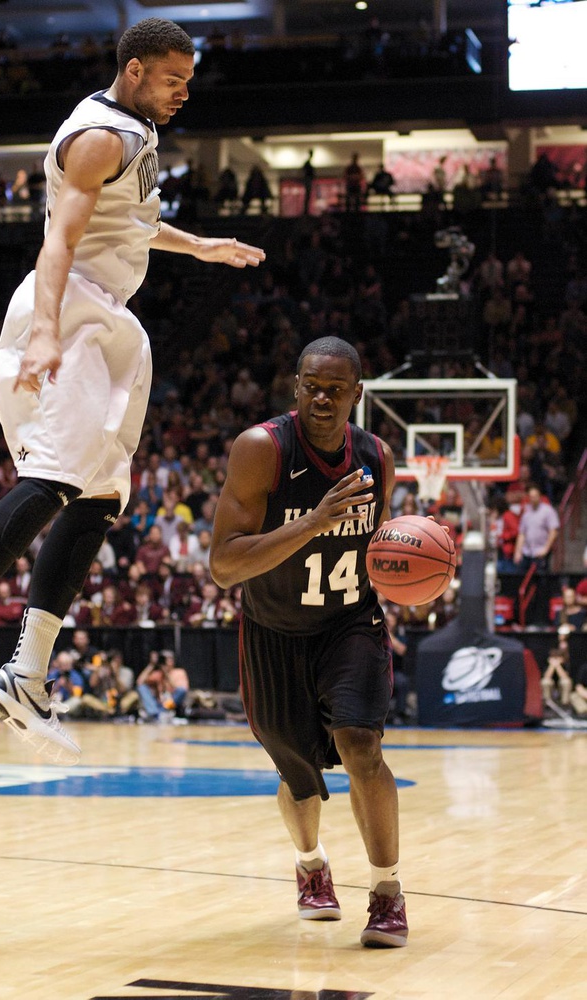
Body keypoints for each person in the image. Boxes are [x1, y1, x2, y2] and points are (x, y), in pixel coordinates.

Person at [0, 17, 265, 766]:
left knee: (103, 497)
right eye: (174, 79)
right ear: (136, 70)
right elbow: (60, 240)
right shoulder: (101, 135)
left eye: (189, 80)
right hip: (68, 308)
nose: (183, 93)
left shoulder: (131, 133)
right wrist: (46, 331)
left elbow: (131, 220)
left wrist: (199, 246)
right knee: (55, 478)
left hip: (110, 317)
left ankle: (27, 675)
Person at [210, 335, 409, 948]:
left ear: (357, 393)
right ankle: (312, 865)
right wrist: (316, 521)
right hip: (273, 630)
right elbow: (223, 564)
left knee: (361, 746)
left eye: (335, 388)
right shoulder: (260, 449)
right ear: (297, 387)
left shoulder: (377, 456)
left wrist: (411, 577)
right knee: (297, 773)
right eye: (311, 385)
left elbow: (378, 551)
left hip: (350, 623)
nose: (322, 397)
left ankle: (386, 892)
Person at [513, 484, 560, 574]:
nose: (533, 499)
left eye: (535, 496)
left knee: (541, 579)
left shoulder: (548, 511)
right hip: (527, 552)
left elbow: (553, 531)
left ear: (540, 497)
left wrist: (546, 549)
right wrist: (518, 551)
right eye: (531, 496)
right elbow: (522, 533)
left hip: (540, 552)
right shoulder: (526, 512)